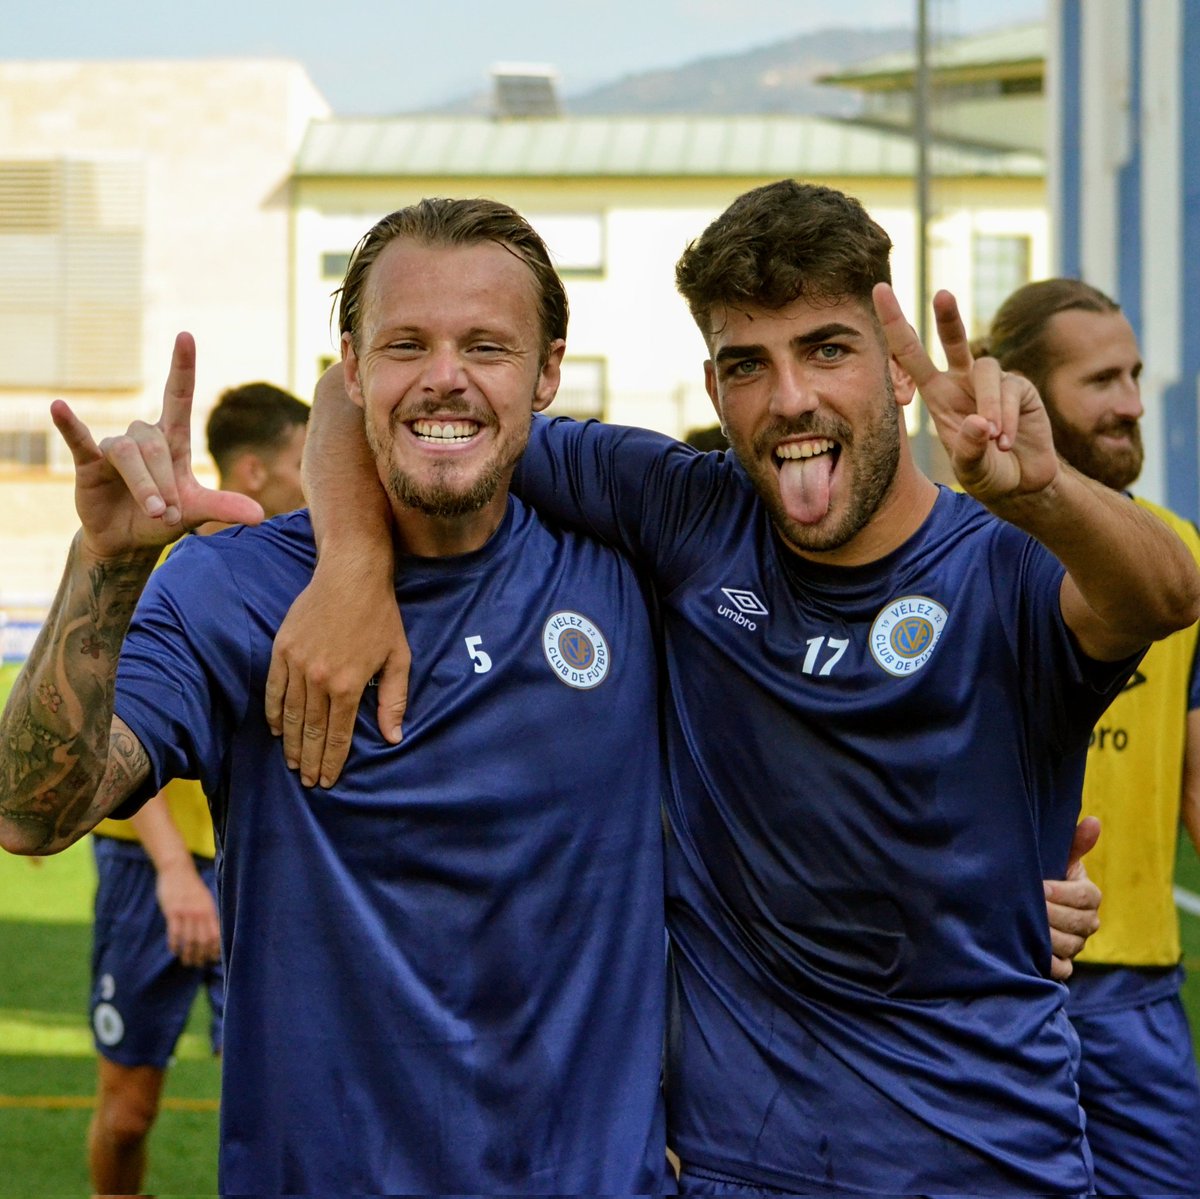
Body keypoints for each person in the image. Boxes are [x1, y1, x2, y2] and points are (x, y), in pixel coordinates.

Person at [273, 180, 1200, 1194]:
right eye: (750, 363)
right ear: (716, 390)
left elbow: (1166, 592)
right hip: (738, 1166)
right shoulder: (688, 513)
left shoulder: (1004, 565)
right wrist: (352, 562)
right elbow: (368, 394)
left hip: (987, 1164)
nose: (791, 396)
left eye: (827, 349)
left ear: (898, 369)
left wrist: (1049, 491)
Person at [0, 199, 669, 1195]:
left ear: (548, 372)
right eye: (406, 344)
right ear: (352, 372)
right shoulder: (232, 589)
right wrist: (104, 564)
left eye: (486, 345)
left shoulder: (633, 573)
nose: (445, 375)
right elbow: (30, 812)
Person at [979, 277, 1200, 1194]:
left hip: (1137, 985)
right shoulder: (954, 552)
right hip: (990, 977)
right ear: (1024, 393)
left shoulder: (1178, 559)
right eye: (1102, 380)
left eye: (1134, 375)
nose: (1132, 403)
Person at [84, 380, 309, 1195]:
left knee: (284, 1102)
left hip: (258, 868)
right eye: (301, 461)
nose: (316, 478)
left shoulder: (305, 575)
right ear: (252, 471)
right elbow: (117, 731)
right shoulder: (164, 572)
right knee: (128, 1111)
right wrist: (178, 872)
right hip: (153, 873)